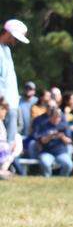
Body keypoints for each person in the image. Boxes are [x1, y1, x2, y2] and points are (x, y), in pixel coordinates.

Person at [0, 20, 29, 170]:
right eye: (15, 37)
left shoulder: (6, 50)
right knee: (5, 139)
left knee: (11, 139)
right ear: (9, 33)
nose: (16, 41)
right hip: (4, 104)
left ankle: (4, 168)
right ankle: (2, 169)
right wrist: (2, 99)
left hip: (11, 103)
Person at [32, 104, 73, 177]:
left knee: (69, 164)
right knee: (45, 163)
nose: (57, 119)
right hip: (47, 152)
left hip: (60, 152)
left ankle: (62, 179)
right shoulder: (44, 125)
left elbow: (69, 141)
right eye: (55, 117)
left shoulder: (64, 126)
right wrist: (50, 136)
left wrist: (62, 136)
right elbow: (42, 141)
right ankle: (47, 178)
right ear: (50, 117)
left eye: (58, 117)